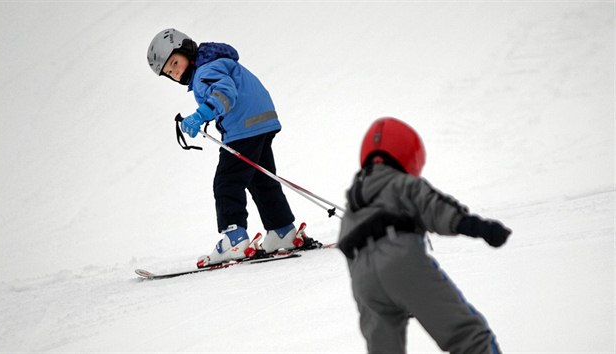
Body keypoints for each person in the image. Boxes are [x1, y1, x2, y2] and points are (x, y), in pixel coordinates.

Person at [338, 117, 511, 354]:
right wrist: (480, 228)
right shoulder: (402, 183)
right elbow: (435, 206)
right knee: (469, 336)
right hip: (403, 266)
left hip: (365, 284)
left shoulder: (351, 208)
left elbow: (347, 252)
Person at [147, 28, 304, 266]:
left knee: (226, 182)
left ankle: (234, 239)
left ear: (186, 49)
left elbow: (224, 93)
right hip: (261, 122)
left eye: (175, 63)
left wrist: (200, 115)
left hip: (243, 127)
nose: (176, 72)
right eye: (169, 72)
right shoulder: (217, 62)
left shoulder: (204, 71)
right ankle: (282, 230)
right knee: (261, 179)